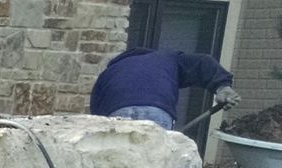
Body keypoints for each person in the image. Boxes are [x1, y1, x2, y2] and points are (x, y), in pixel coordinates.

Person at [88, 48, 239, 129]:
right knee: (155, 167)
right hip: (158, 111)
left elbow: (96, 111)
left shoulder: (111, 71)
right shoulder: (168, 59)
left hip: (118, 111)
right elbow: (203, 62)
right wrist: (222, 87)